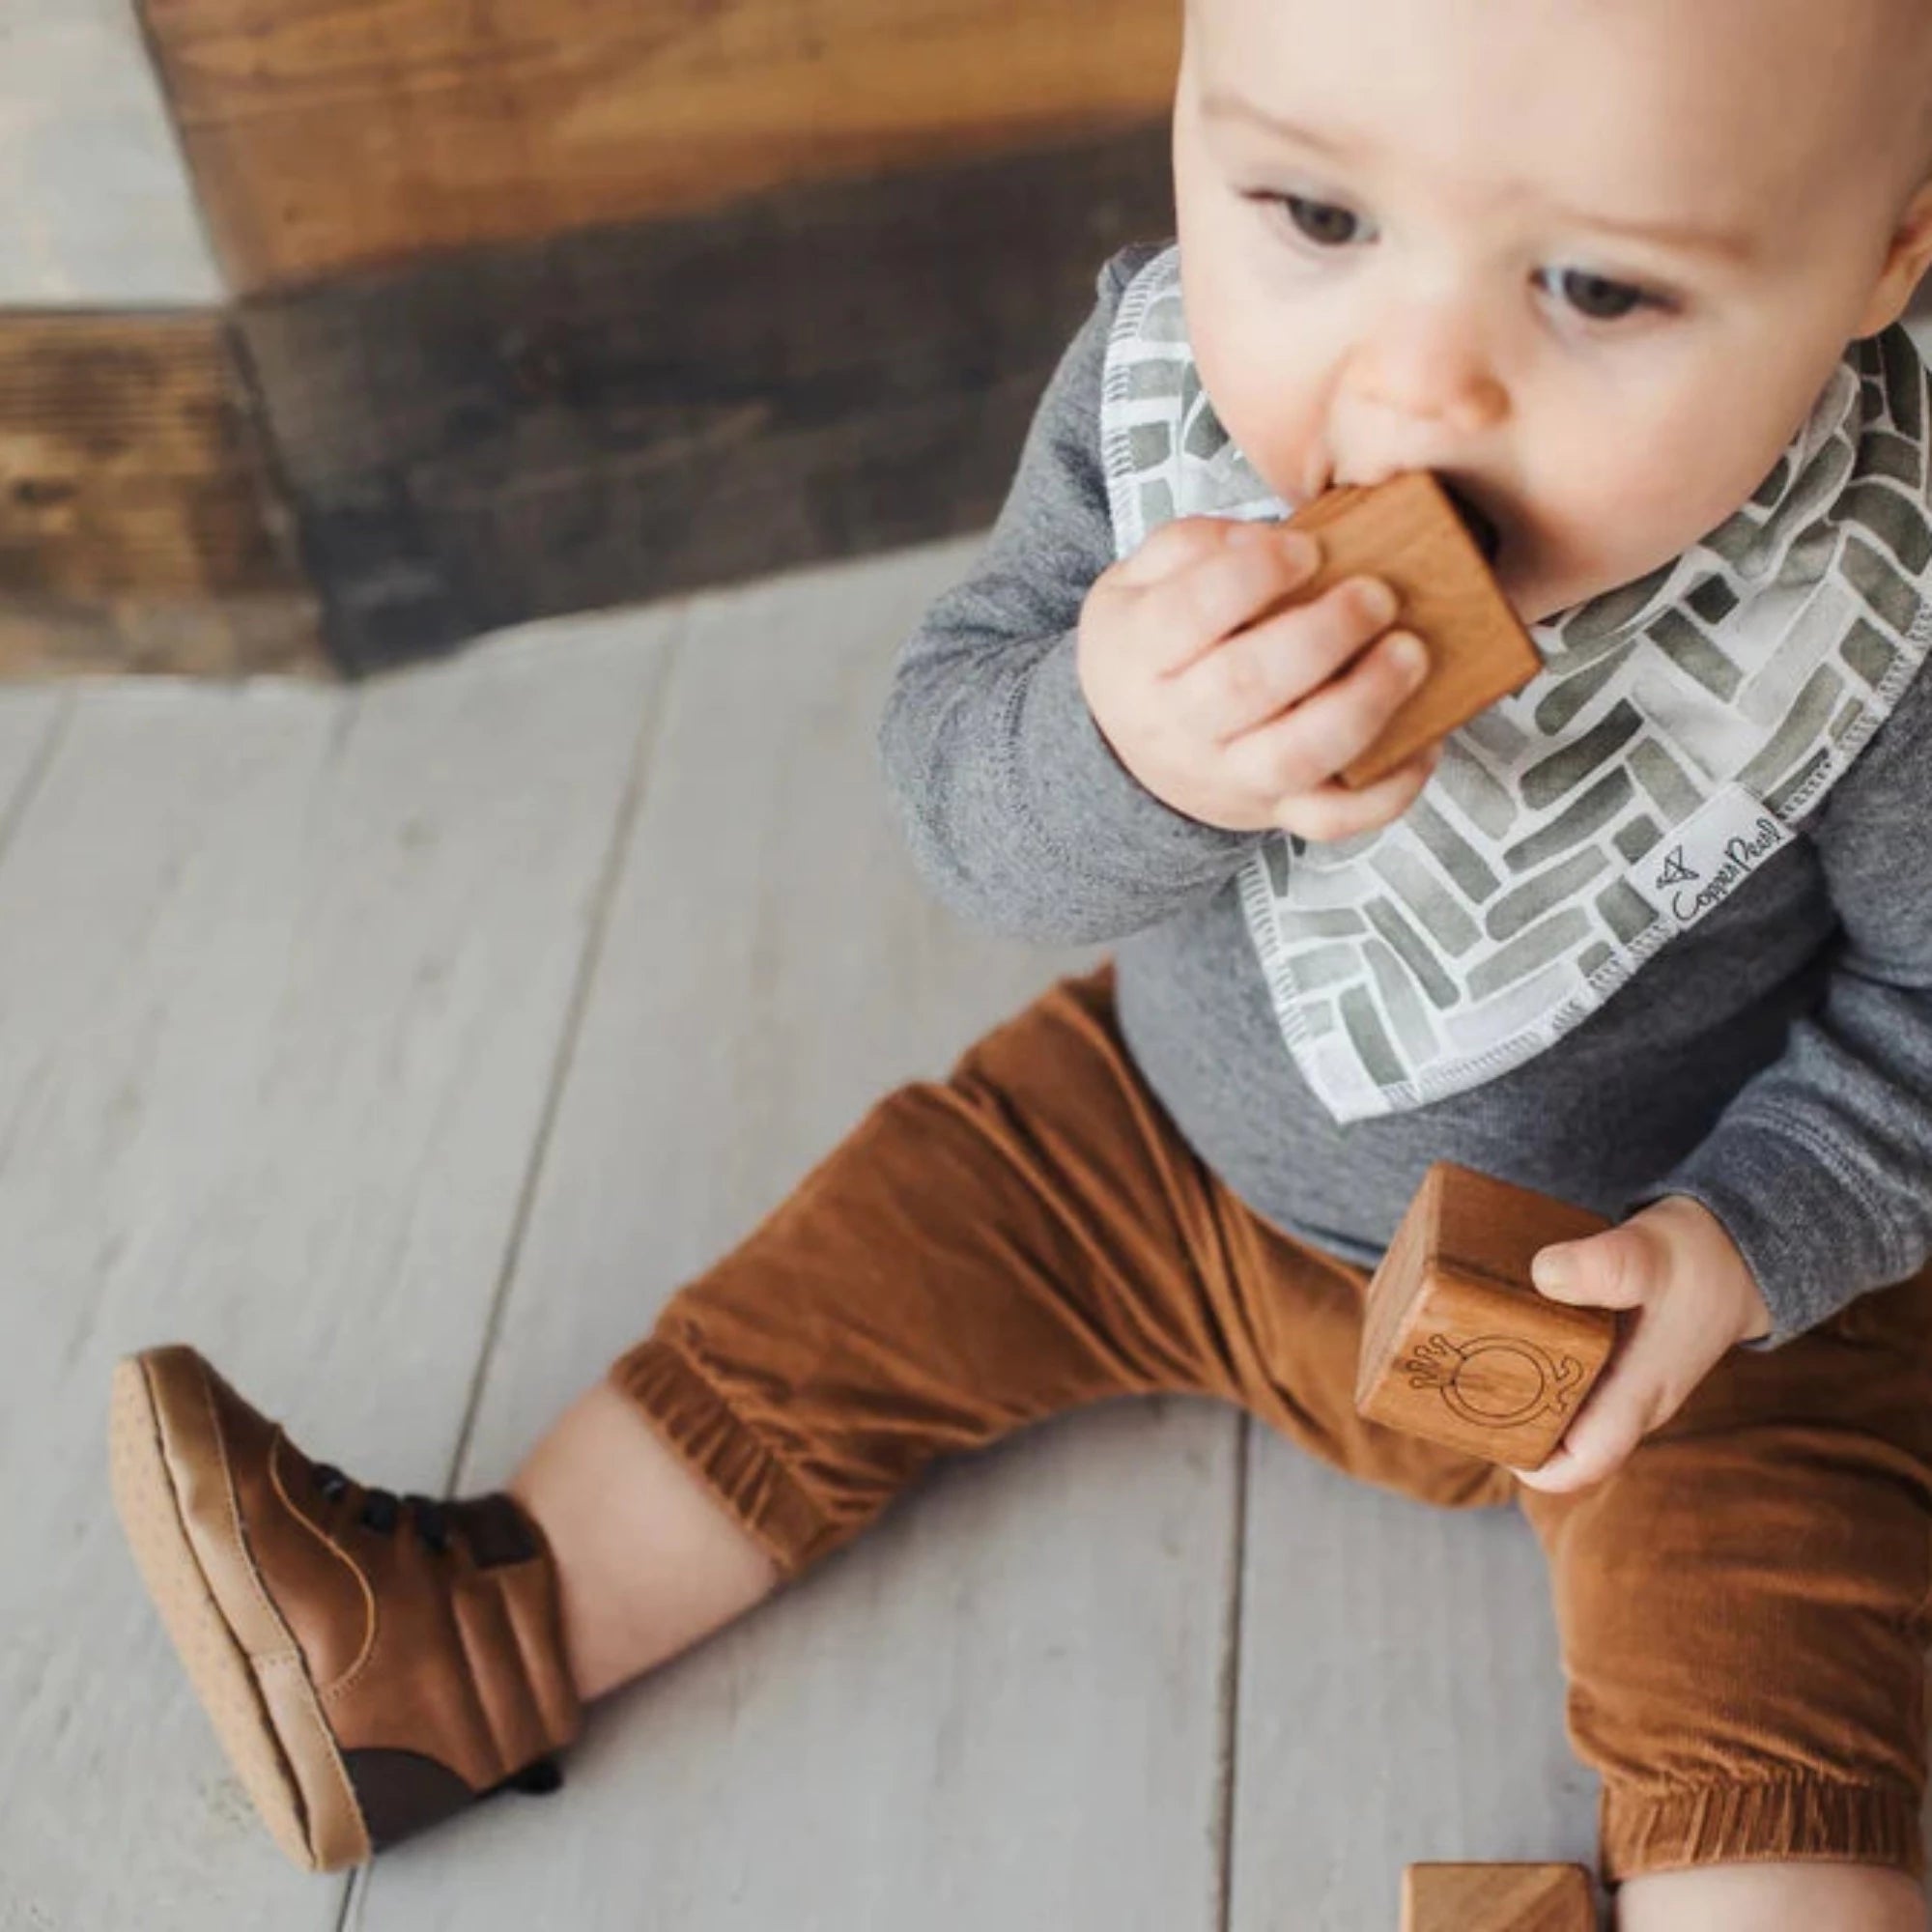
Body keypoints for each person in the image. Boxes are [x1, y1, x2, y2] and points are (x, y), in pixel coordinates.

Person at [109, 0, 1932, 1922]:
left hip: (1677, 1311)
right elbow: (959, 792)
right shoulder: (1161, 409)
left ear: (1887, 249)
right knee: (868, 1265)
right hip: (1167, 1152)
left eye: (1593, 286)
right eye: (1311, 213)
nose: (1410, 384)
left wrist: (1736, 1250)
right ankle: (469, 1634)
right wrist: (1123, 746)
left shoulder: (1889, 590)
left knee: (1782, 1664)